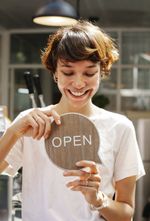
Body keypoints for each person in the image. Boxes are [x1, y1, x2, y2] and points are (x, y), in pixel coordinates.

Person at [0, 20, 145, 221]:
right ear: (55, 73)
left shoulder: (120, 127)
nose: (78, 83)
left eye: (89, 73)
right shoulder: (31, 122)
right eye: (68, 72)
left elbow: (126, 214)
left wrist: (97, 199)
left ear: (102, 71)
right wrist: (15, 130)